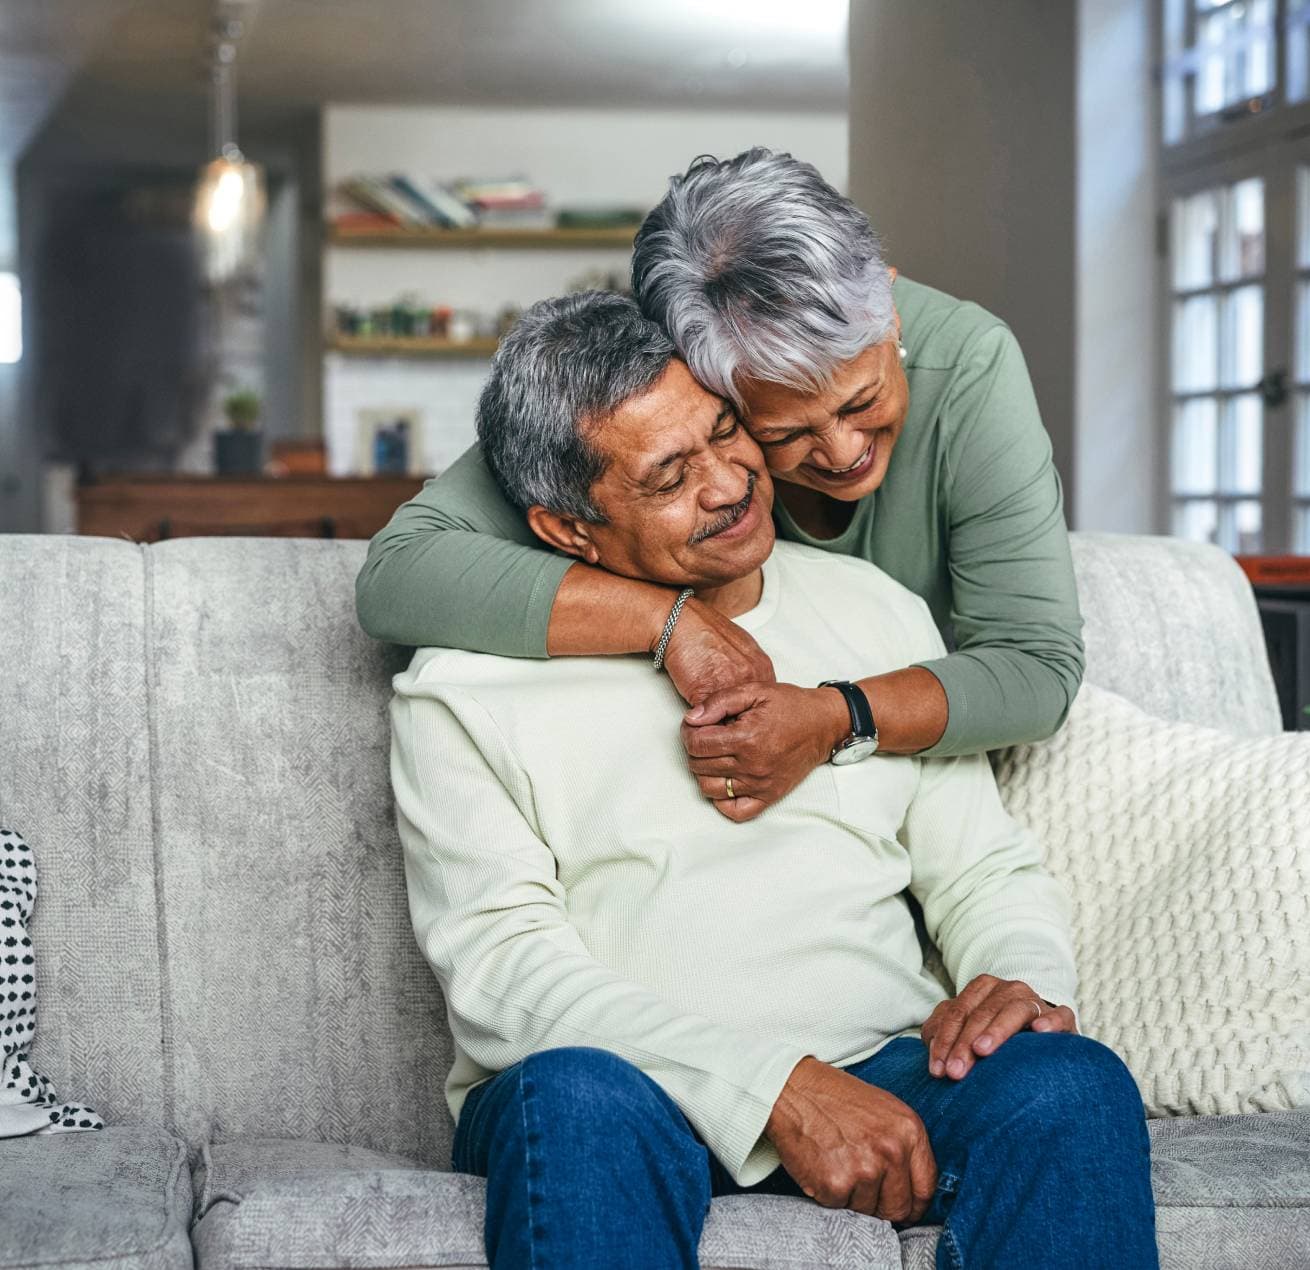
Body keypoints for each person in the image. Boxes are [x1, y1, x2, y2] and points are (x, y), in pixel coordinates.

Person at [389, 292, 1157, 1270]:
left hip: (885, 1066)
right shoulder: (458, 690)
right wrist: (773, 1088)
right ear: (570, 532)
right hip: (624, 1088)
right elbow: (505, 973)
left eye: (723, 433)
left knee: (1069, 1081)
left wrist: (1018, 985)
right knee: (569, 1097)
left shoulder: (874, 612)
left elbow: (981, 870)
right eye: (669, 475)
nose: (728, 484)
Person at [362, 148, 1085, 823]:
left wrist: (835, 717)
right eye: (782, 432)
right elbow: (399, 573)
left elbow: (1036, 668)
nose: (841, 452)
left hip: (896, 781)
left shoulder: (970, 363)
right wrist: (667, 622)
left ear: (890, 310)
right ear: (696, 374)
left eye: (862, 401)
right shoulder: (669, 376)